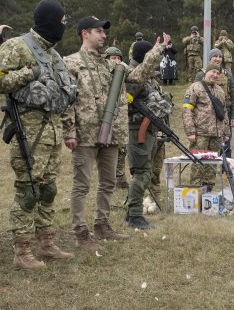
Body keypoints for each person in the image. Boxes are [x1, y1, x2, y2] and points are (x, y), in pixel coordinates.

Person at [62, 16, 170, 252]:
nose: (103, 35)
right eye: (98, 31)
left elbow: (139, 75)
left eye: (104, 32)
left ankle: (102, 225)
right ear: (85, 33)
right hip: (84, 135)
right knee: (82, 184)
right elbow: (66, 101)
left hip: (111, 134)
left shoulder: (111, 65)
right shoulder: (69, 63)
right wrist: (69, 131)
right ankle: (80, 232)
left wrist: (157, 50)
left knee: (109, 182)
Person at [0, 0, 77, 269]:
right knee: (28, 190)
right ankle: (22, 251)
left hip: (52, 132)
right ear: (48, 20)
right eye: (61, 21)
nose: (63, 26)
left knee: (48, 189)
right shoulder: (17, 46)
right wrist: (29, 72)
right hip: (29, 133)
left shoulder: (53, 55)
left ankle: (46, 242)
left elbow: (66, 91)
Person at [125, 40, 173, 229]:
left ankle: (132, 212)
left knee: (146, 172)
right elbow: (125, 103)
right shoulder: (134, 77)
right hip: (138, 130)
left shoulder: (148, 77)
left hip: (148, 130)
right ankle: (134, 215)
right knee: (142, 173)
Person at [183, 64, 229, 187]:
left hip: (216, 135)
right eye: (213, 72)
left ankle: (208, 196)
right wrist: (190, 131)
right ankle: (196, 196)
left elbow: (224, 112)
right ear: (206, 72)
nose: (215, 75)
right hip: (200, 135)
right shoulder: (195, 88)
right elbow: (187, 111)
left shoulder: (220, 91)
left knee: (211, 167)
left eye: (217, 73)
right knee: (198, 166)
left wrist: (226, 132)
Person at [195, 49, 234, 157]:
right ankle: (210, 170)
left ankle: (226, 172)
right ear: (210, 58)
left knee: (226, 144)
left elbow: (233, 96)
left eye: (220, 57)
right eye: (215, 56)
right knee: (208, 147)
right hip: (206, 116)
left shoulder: (227, 75)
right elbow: (195, 96)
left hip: (224, 114)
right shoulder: (201, 75)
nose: (218, 59)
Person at [102, 46, 130, 190]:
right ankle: (109, 178)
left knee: (122, 148)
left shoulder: (123, 75)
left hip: (121, 119)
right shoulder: (102, 75)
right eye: (113, 58)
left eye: (119, 58)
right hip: (107, 119)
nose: (117, 61)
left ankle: (120, 176)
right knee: (109, 150)